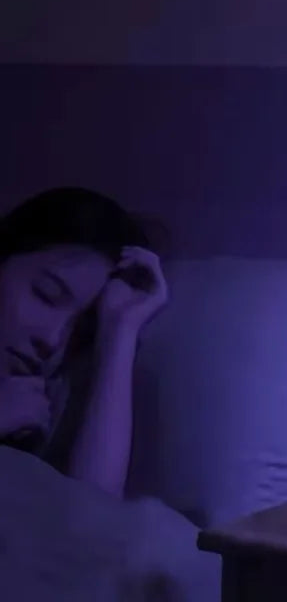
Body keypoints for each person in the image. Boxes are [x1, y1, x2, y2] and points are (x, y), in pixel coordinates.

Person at [0, 187, 168, 497]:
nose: (52, 340)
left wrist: (120, 330)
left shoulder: (34, 411)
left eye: (78, 334)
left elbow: (90, 512)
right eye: (47, 295)